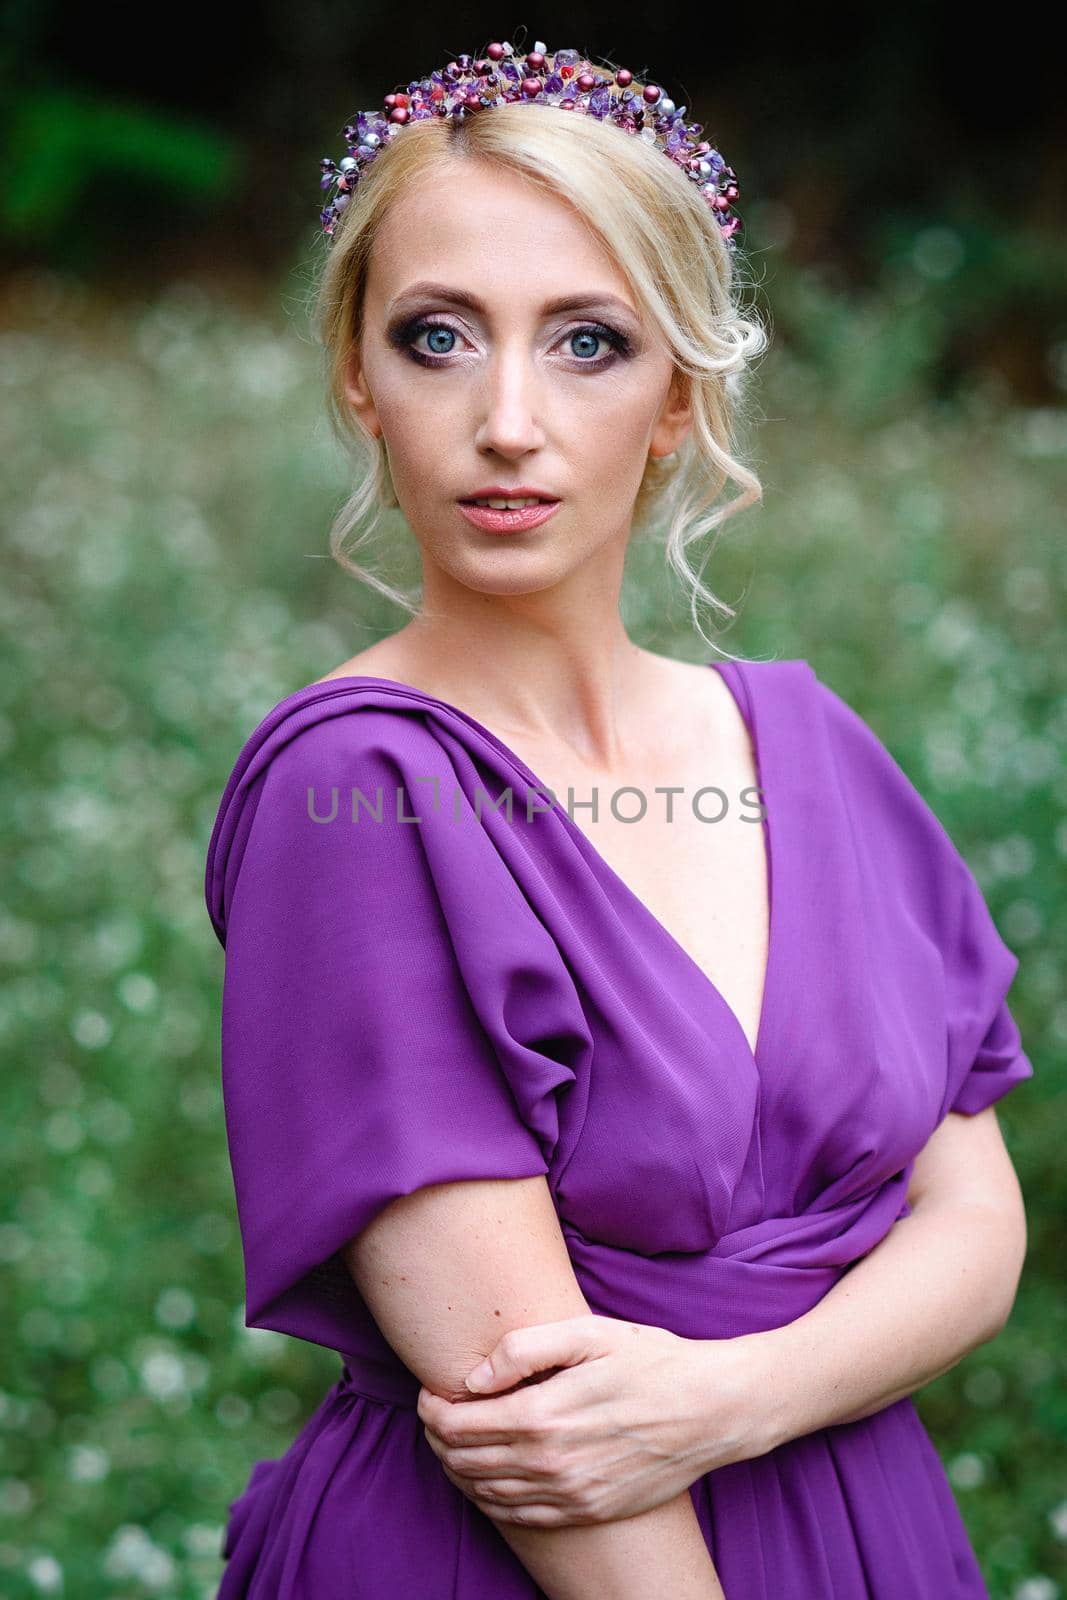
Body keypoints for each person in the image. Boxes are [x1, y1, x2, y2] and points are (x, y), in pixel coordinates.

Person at [203, 38, 1033, 1599]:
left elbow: (977, 1220)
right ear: (356, 381)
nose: (507, 419)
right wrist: (705, 1431)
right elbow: (539, 1430)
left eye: (588, 342)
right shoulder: (359, 787)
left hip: (865, 1528)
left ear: (677, 399)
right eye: (439, 336)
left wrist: (732, 1401)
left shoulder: (811, 745)